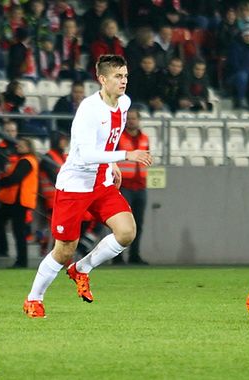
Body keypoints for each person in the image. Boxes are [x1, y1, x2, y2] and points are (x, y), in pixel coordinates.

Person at [23, 55, 153, 318]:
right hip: (75, 186)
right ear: (102, 79)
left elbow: (109, 141)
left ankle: (81, 269)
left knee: (126, 232)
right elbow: (83, 154)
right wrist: (124, 157)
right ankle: (33, 299)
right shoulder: (88, 109)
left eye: (126, 75)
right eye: (118, 76)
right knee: (63, 251)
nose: (124, 81)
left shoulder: (124, 103)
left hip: (102, 183)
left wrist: (112, 163)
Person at [0, 137, 39, 268]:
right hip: (15, 200)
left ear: (29, 148)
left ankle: (20, 260)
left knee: (17, 230)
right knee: (0, 221)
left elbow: (16, 178)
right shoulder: (25, 160)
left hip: (19, 200)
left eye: (22, 146)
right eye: (18, 145)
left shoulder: (26, 161)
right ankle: (4, 251)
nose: (18, 147)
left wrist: (2, 182)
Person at [115, 110, 149, 265]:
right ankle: (118, 256)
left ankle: (134, 255)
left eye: (133, 118)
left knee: (138, 223)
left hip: (140, 186)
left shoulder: (145, 138)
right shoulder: (119, 138)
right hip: (125, 186)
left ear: (139, 120)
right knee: (121, 223)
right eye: (128, 119)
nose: (131, 121)